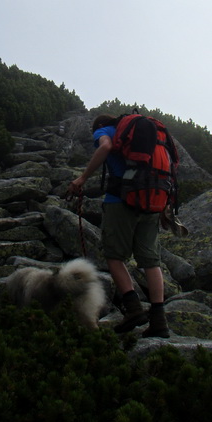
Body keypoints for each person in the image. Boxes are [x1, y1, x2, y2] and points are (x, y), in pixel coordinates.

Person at [67, 114, 170, 338]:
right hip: (152, 201)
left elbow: (105, 147)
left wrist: (82, 178)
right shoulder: (147, 135)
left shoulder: (104, 131)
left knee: (114, 256)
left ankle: (133, 309)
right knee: (151, 262)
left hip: (120, 201)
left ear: (101, 126)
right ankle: (159, 321)